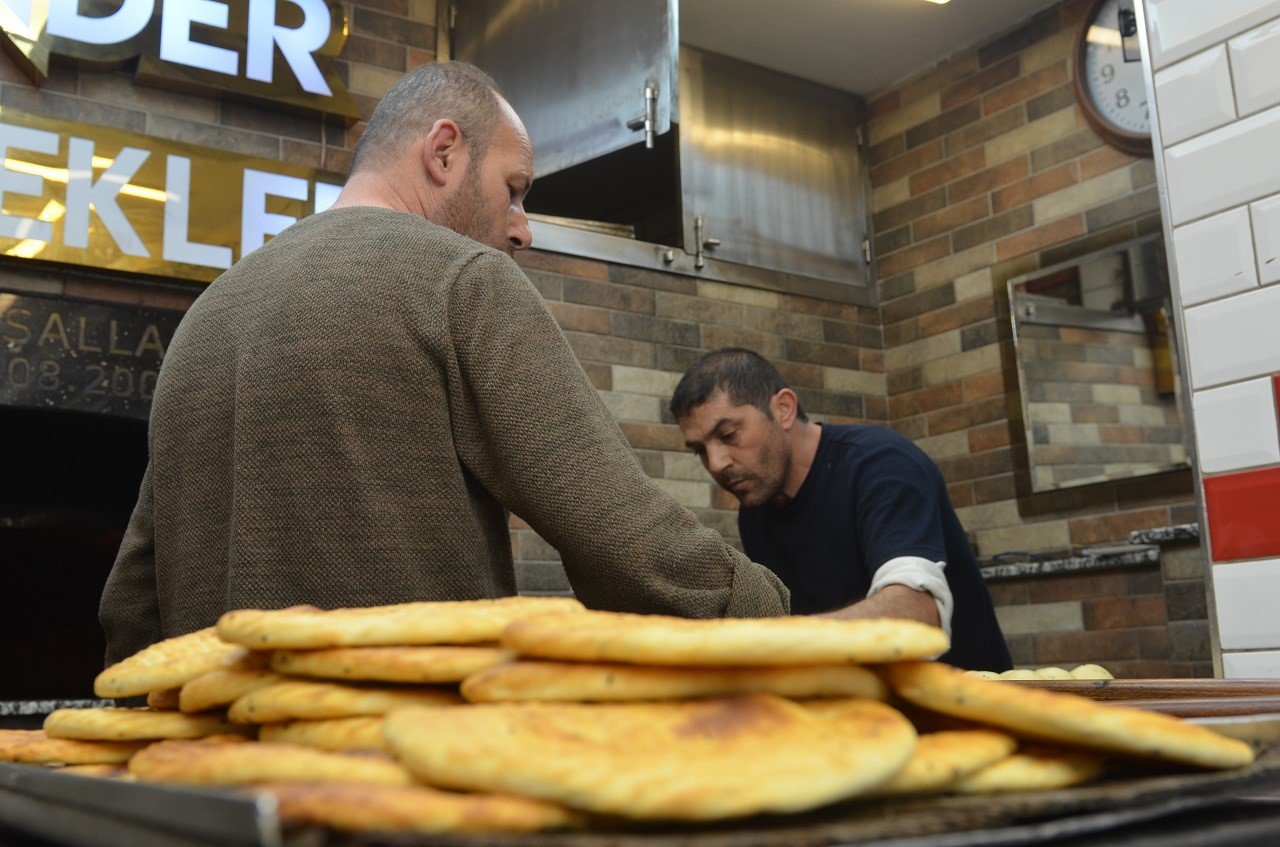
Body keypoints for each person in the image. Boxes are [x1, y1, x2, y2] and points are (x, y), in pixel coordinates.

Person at [99, 63, 788, 665]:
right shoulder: (461, 280)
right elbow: (625, 542)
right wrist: (775, 619)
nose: (521, 225)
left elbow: (133, 601)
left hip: (211, 777)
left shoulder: (204, 319)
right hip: (406, 775)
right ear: (444, 150)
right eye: (514, 189)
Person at [670, 348, 1010, 671]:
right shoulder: (756, 509)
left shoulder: (882, 465)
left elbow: (917, 616)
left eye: (728, 434)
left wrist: (771, 641)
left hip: (968, 711)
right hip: (865, 717)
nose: (716, 463)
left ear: (784, 409)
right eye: (700, 451)